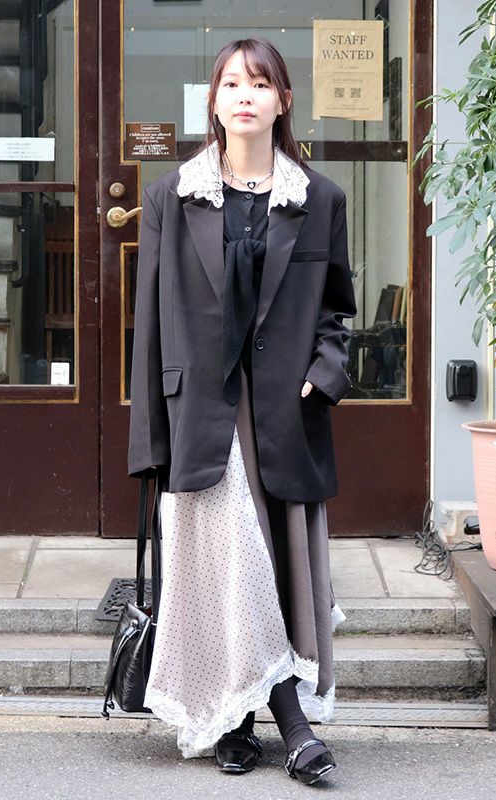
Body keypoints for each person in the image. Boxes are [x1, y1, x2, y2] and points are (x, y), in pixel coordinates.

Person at [128, 37, 357, 786]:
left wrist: (325, 374)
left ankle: (238, 723)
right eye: (232, 84)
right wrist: (149, 441)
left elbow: (337, 312)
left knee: (266, 566)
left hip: (283, 414)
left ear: (284, 101)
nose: (245, 96)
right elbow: (149, 324)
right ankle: (290, 728)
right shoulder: (171, 197)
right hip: (202, 413)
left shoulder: (319, 199)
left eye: (260, 84)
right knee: (234, 558)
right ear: (215, 102)